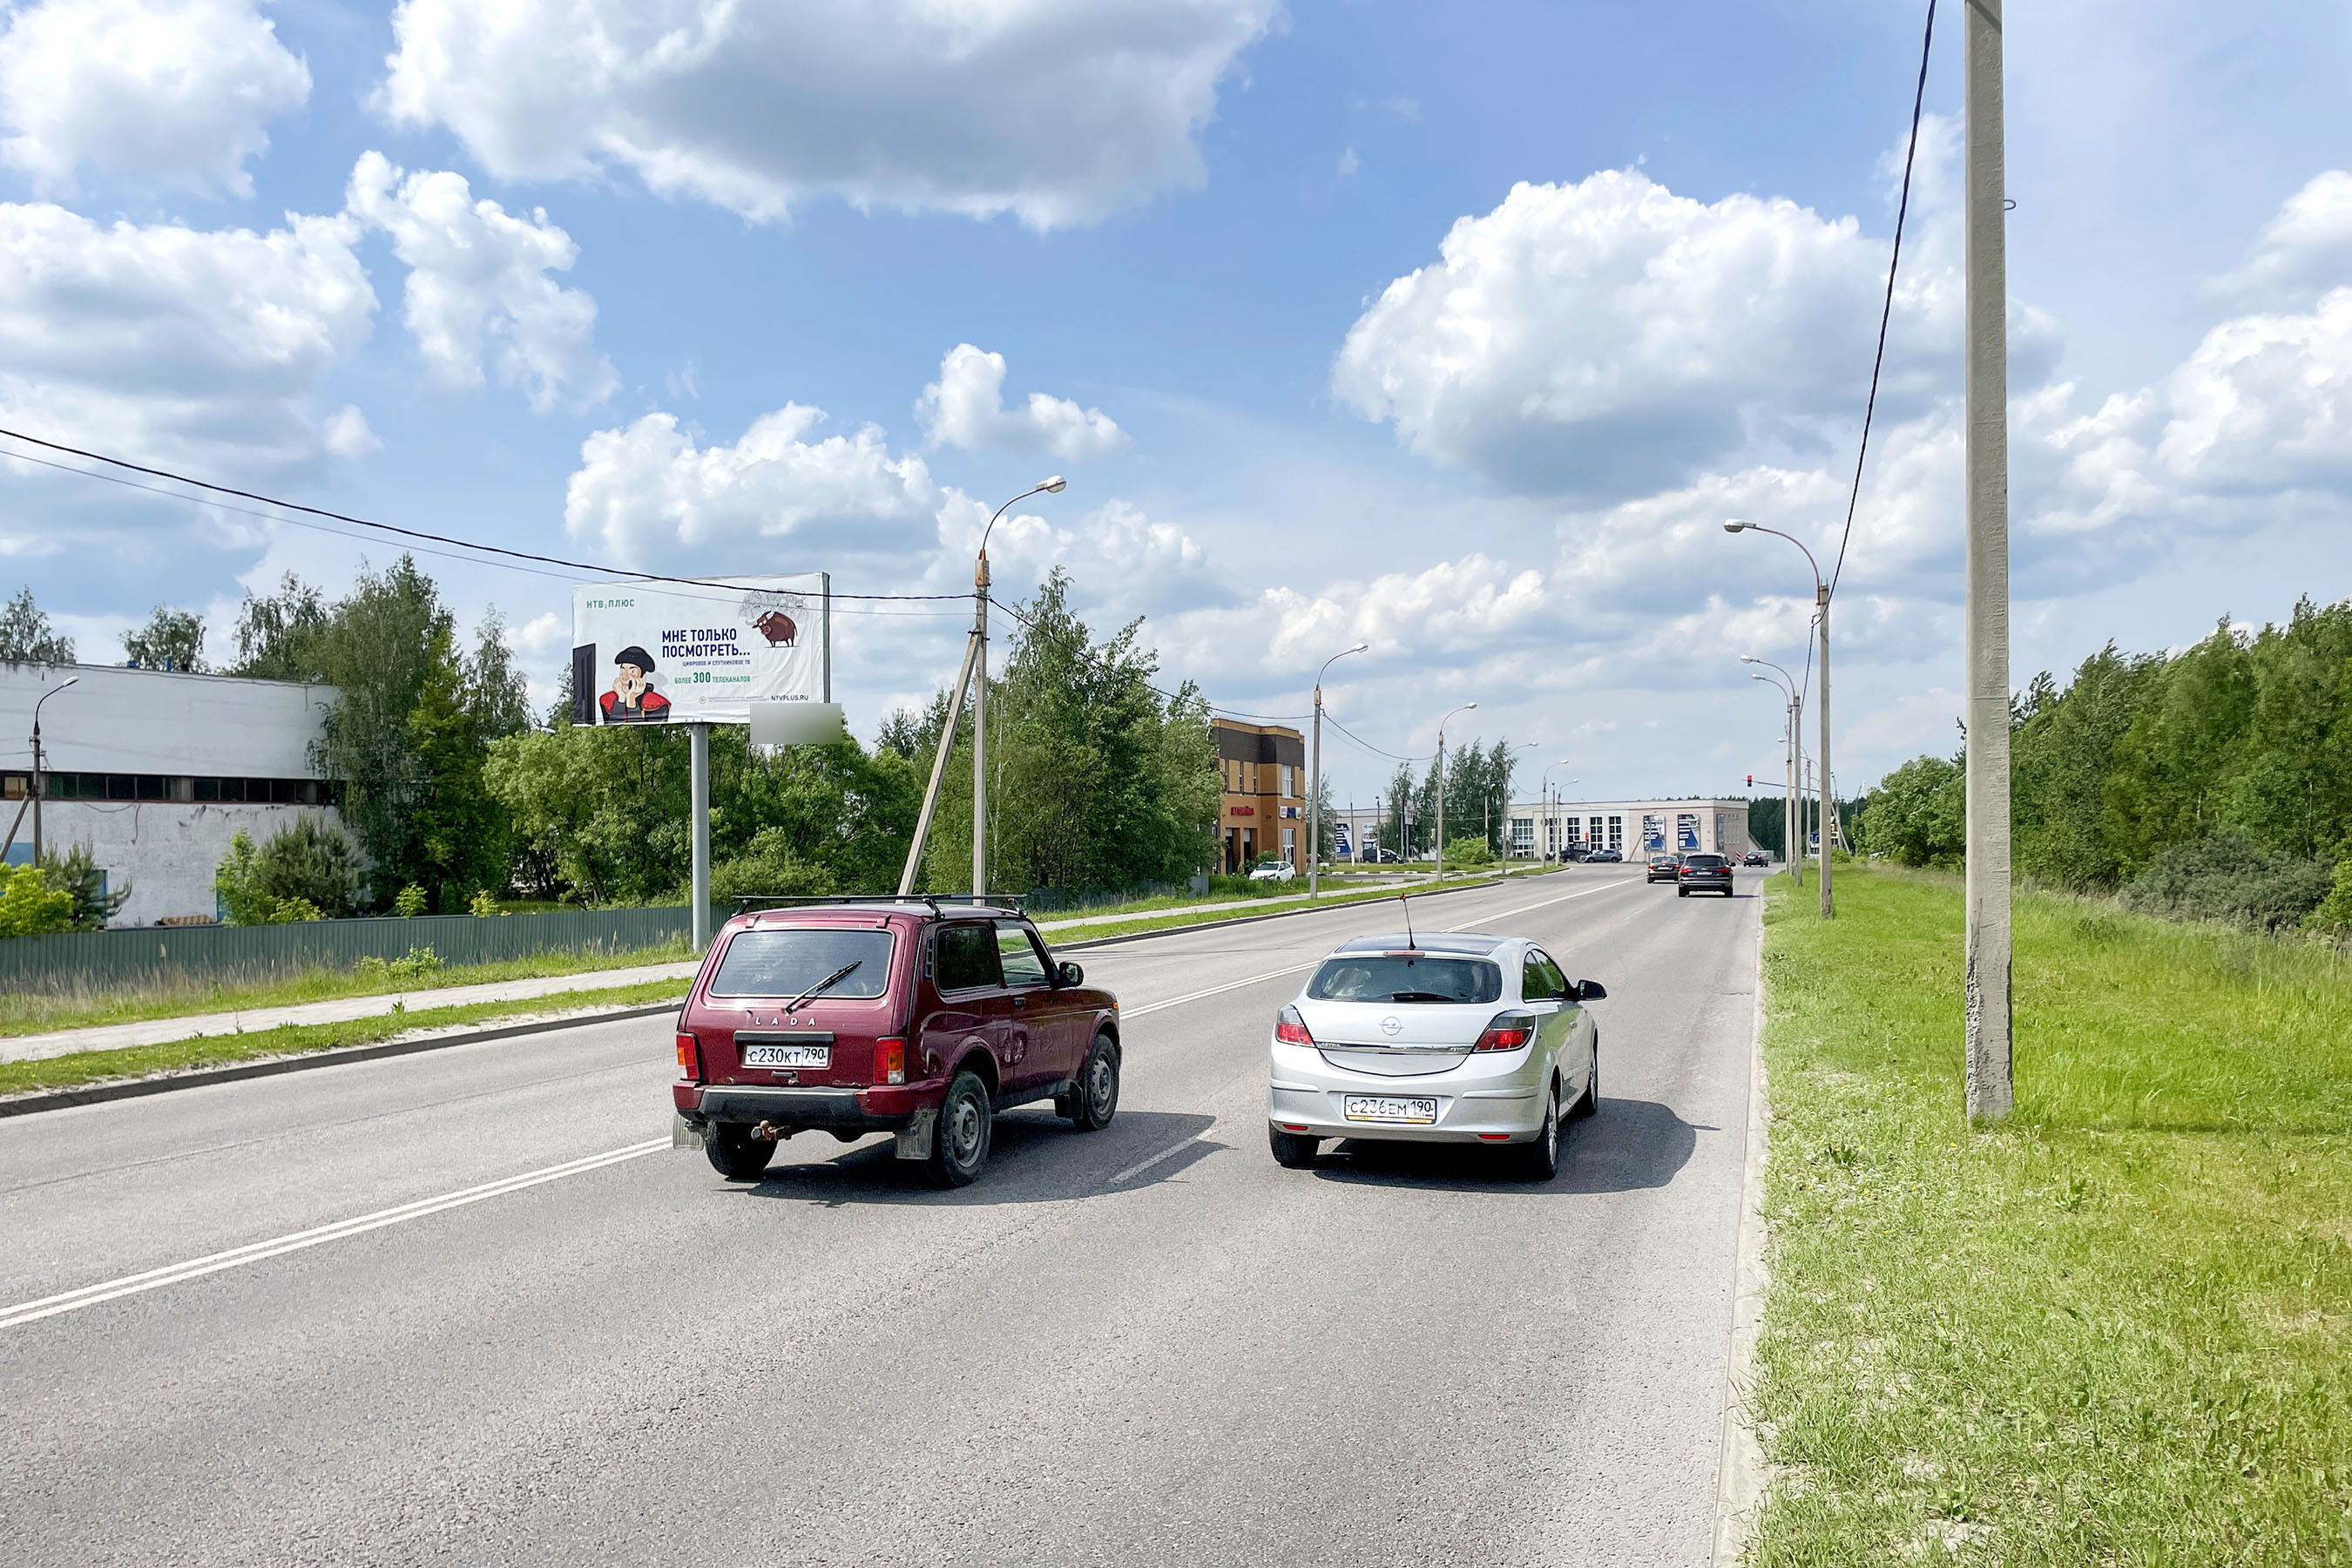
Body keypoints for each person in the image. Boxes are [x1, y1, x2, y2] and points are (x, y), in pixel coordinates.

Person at [599, 645, 672, 723]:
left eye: (632, 672)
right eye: (622, 671)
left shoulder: (658, 704)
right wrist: (621, 700)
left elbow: (639, 731)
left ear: (643, 677)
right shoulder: (607, 700)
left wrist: (631, 701)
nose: (625, 677)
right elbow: (613, 729)